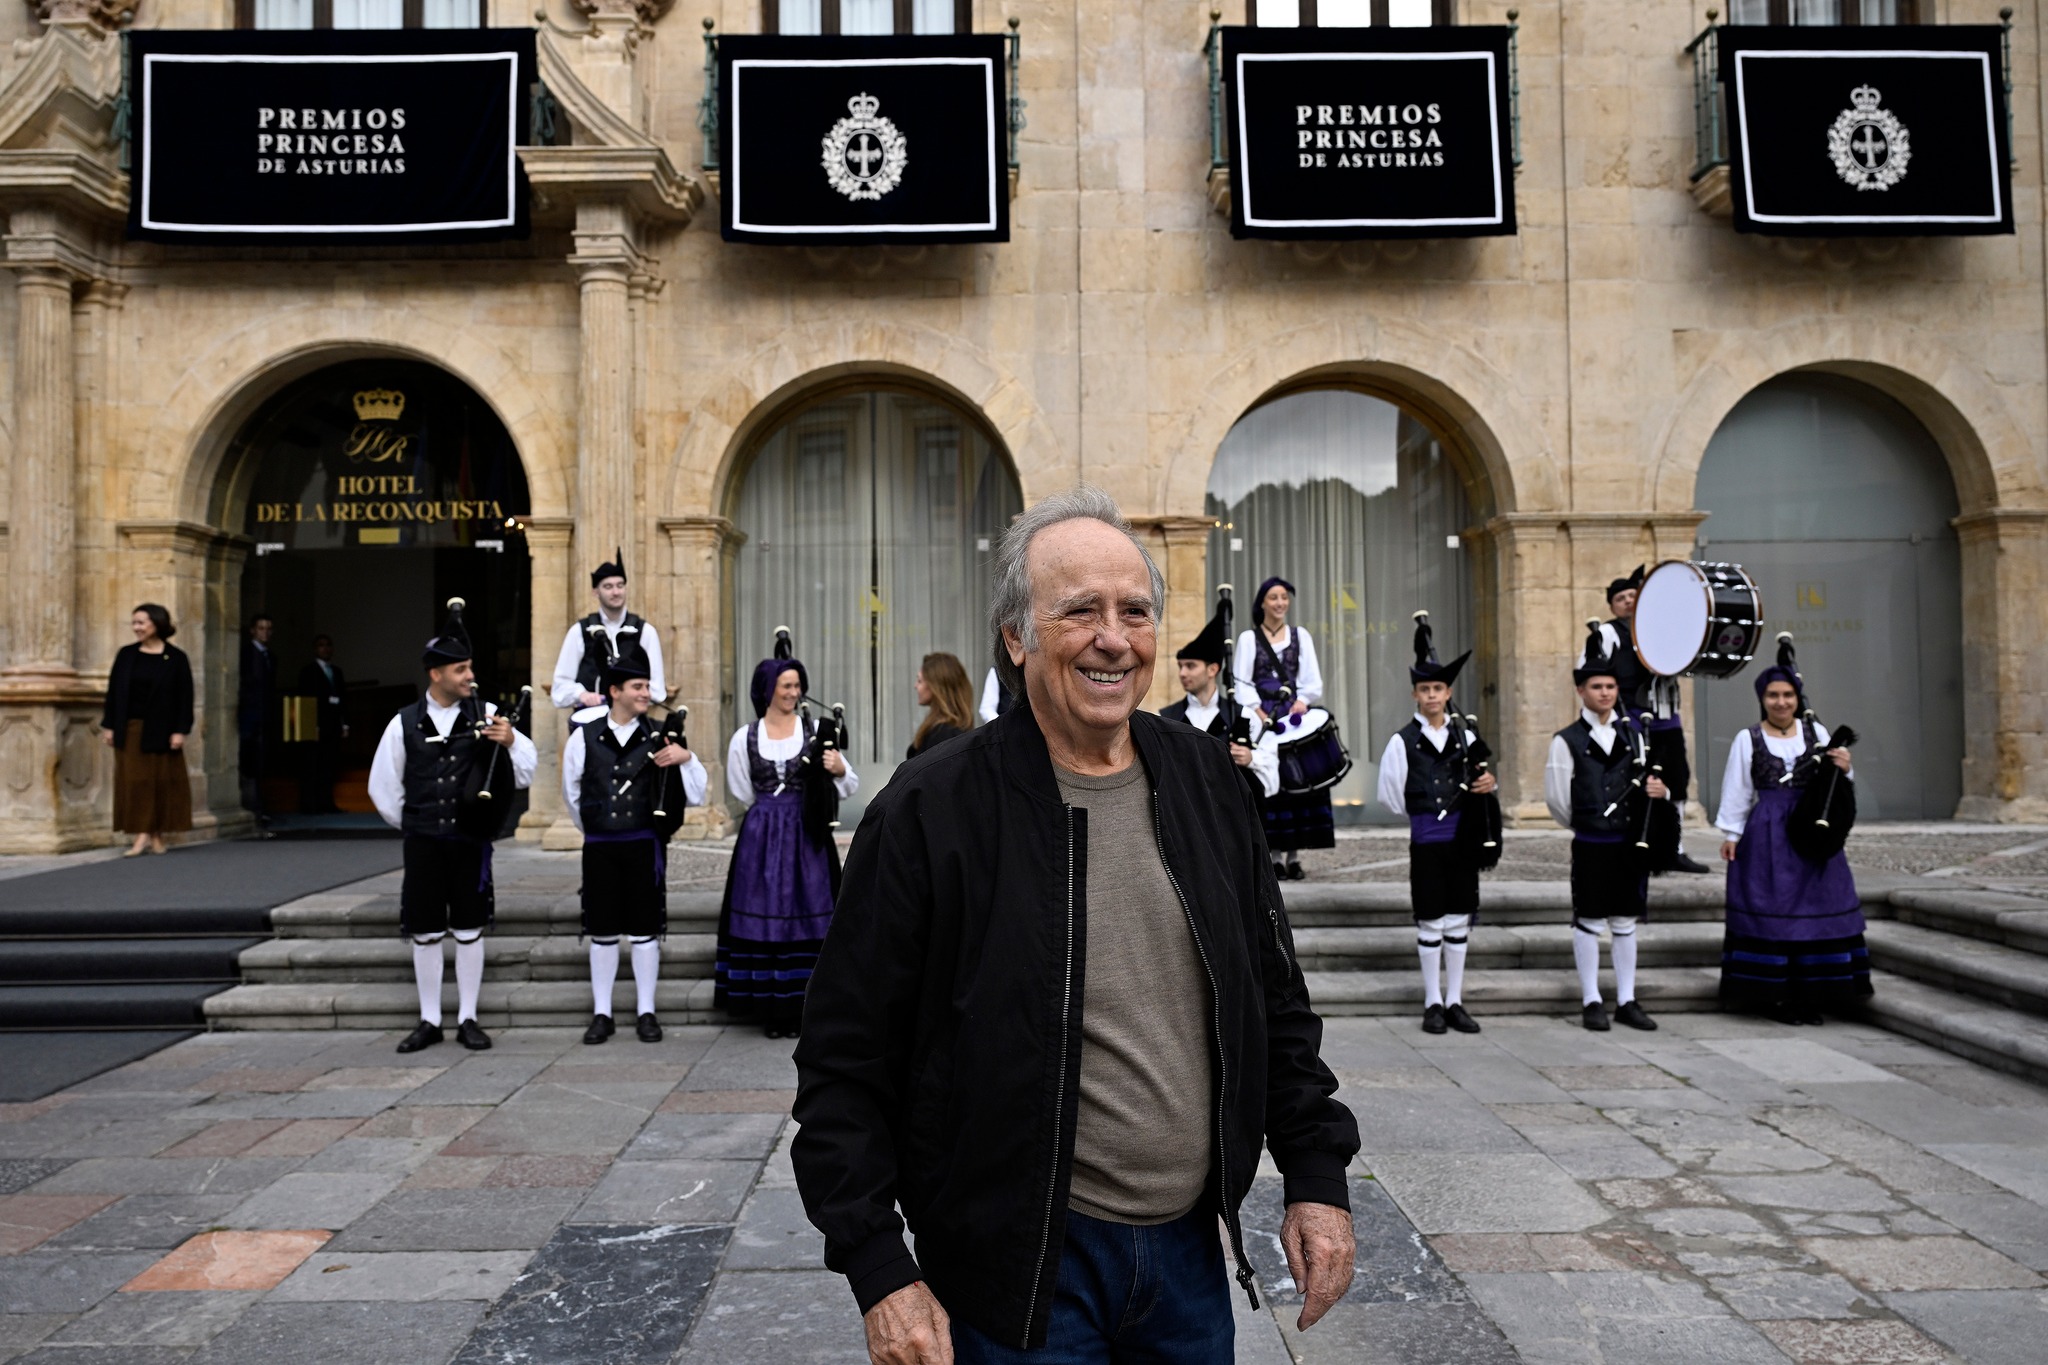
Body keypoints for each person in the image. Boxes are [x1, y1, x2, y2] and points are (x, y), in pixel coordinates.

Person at [792, 488, 1359, 1365]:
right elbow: (843, 1058)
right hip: (1017, 1274)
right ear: (1016, 638)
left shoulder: (1207, 782)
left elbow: (1273, 997)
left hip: (1188, 1267)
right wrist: (879, 1267)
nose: (1114, 637)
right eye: (1079, 610)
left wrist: (1316, 1176)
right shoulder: (931, 810)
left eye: (1135, 611)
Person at [369, 603, 536, 1054]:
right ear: (436, 673)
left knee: (468, 928)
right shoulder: (402, 722)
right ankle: (428, 1019)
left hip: (469, 843)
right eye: (460, 669)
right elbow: (383, 788)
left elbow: (525, 773)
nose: (468, 676)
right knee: (424, 930)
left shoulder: (488, 713)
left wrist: (512, 740)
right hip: (423, 842)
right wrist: (418, 822)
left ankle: (467, 1017)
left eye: (469, 668)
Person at [1715, 636, 1867, 1024]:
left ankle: (1813, 994)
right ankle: (1775, 996)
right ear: (1762, 698)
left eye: (1787, 695)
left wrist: (1845, 768)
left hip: (1810, 834)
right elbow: (1737, 789)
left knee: (1815, 909)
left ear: (1797, 697)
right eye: (1772, 695)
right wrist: (1732, 835)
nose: (1780, 702)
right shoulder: (1747, 738)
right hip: (1766, 835)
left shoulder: (1817, 733)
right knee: (1772, 910)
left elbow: (1837, 787)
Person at [562, 645, 706, 1045]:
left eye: (646, 685)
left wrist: (687, 758)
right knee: (602, 930)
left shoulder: (661, 736)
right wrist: (595, 828)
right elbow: (572, 794)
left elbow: (695, 795)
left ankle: (647, 1011)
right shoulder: (584, 737)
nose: (646, 693)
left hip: (644, 847)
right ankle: (602, 1013)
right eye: (638, 686)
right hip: (600, 847)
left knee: (645, 930)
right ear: (615, 691)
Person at [717, 631, 858, 1039]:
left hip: (807, 834)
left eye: (797, 686)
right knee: (763, 915)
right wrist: (770, 813)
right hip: (761, 836)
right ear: (767, 690)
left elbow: (849, 785)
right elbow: (742, 789)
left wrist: (836, 769)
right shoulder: (745, 737)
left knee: (809, 912)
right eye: (786, 686)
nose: (794, 693)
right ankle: (770, 1007)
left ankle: (806, 1005)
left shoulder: (815, 733)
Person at [1376, 612, 1494, 1036]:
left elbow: (1483, 781)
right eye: (1425, 689)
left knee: (1459, 920)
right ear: (1415, 694)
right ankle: (1432, 1003)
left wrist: (1486, 783)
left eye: (1438, 688)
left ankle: (1456, 1001)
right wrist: (1423, 814)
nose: (1432, 695)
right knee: (1430, 921)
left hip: (1462, 842)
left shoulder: (1465, 737)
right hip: (1427, 841)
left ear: (1448, 692)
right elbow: (1391, 796)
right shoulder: (1401, 740)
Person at [1547, 621, 1665, 1033]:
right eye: (1596, 687)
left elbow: (1652, 783)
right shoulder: (1567, 740)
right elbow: (1558, 799)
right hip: (1592, 842)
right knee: (1589, 920)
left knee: (1626, 921)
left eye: (1611, 687)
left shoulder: (1635, 735)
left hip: (1629, 843)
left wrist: (1657, 791)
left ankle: (1628, 999)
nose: (1605, 693)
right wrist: (1587, 823)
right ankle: (1591, 999)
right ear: (1582, 690)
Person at [1581, 567, 1710, 874]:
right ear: (1612, 606)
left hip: (1666, 717)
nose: (1627, 602)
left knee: (1675, 782)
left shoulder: (1663, 629)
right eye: (1621, 598)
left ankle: (1673, 849)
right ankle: (1631, 845)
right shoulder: (1607, 634)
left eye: (1632, 596)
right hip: (1629, 720)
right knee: (1631, 784)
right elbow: (1590, 675)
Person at [1233, 575, 1329, 880]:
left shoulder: (1301, 636)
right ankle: (1273, 855)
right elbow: (1241, 681)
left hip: (1294, 717)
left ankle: (1294, 856)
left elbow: (1312, 680)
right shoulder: (1249, 639)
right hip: (1263, 718)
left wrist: (1302, 700)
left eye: (1284, 597)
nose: (1280, 603)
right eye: (1274, 597)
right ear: (1262, 602)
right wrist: (1259, 712)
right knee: (1270, 784)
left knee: (1297, 783)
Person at [1160, 594, 1279, 807]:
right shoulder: (1169, 718)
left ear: (1212, 669)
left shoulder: (1243, 715)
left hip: (1232, 817)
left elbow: (1271, 766)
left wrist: (1251, 759)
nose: (1182, 673)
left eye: (1190, 666)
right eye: (1180, 666)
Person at [101, 603, 194, 857]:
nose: (136, 628)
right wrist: (108, 725)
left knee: (161, 782)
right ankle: (144, 835)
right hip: (131, 728)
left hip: (163, 730)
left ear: (157, 623)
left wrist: (180, 730)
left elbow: (185, 698)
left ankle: (154, 834)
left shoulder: (176, 658)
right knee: (137, 783)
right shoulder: (126, 655)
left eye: (141, 622)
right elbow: (114, 693)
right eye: (134, 623)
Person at [551, 548, 666, 712]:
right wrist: (581, 694)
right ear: (595, 592)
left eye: (620, 585)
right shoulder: (580, 631)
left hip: (631, 723)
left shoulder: (645, 631)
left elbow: (657, 690)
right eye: (608, 586)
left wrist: (629, 696)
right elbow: (560, 689)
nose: (616, 592)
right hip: (590, 722)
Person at [296, 635, 349, 814]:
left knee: (329, 765)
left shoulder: (337, 672)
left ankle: (327, 803)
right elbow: (307, 700)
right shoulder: (308, 672)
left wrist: (345, 724)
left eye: (328, 645)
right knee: (312, 765)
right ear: (315, 649)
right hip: (316, 726)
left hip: (333, 724)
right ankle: (310, 804)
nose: (325, 649)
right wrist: (312, 725)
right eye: (321, 646)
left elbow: (343, 699)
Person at [238, 613, 276, 832]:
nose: (265, 632)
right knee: (249, 766)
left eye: (269, 628)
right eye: (261, 628)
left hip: (264, 719)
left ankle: (260, 809)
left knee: (262, 765)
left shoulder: (271, 656)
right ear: (252, 630)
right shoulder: (245, 654)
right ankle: (253, 810)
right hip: (249, 719)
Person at [908, 652, 976, 760]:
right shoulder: (945, 730)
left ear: (936, 686)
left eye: (920, 681)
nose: (915, 686)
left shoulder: (944, 735)